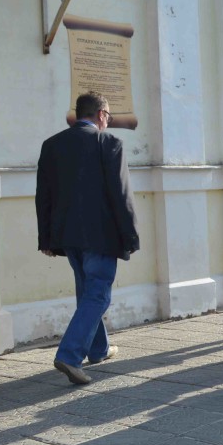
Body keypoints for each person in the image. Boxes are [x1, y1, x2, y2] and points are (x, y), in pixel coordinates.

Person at [36, 91, 139, 386]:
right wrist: (130, 235)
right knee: (98, 294)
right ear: (102, 115)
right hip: (101, 235)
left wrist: (46, 238)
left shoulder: (52, 144)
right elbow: (121, 194)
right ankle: (69, 355)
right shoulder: (109, 143)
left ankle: (98, 349)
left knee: (87, 291)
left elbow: (43, 195)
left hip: (67, 236)